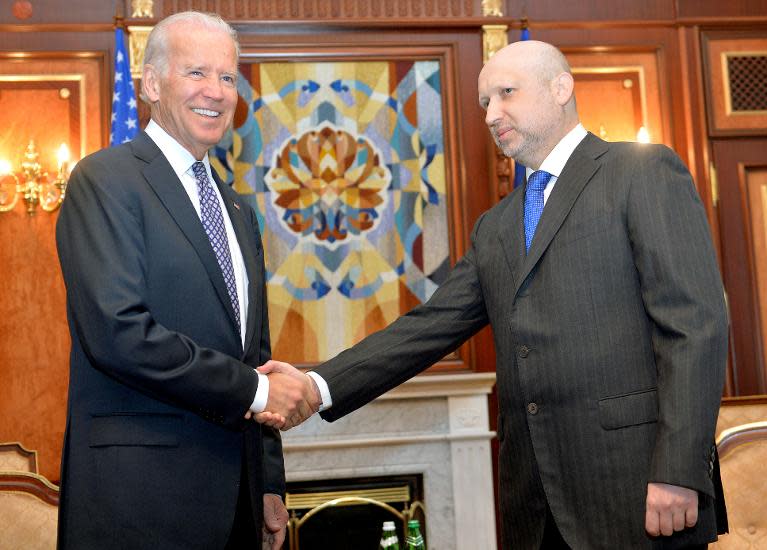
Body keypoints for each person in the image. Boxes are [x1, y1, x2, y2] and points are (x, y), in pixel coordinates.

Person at [257, 40, 729, 549]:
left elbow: (695, 325)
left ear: (561, 88)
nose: (491, 114)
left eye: (507, 93)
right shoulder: (497, 226)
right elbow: (428, 327)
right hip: (535, 506)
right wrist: (317, 383)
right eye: (485, 103)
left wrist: (680, 470)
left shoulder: (640, 172)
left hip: (639, 491)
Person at [56, 11, 287, 550]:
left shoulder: (236, 208)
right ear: (152, 84)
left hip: (237, 502)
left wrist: (269, 482)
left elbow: (255, 351)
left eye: (228, 77)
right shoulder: (105, 180)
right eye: (197, 73)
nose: (217, 92)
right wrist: (257, 392)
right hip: (140, 505)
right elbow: (119, 334)